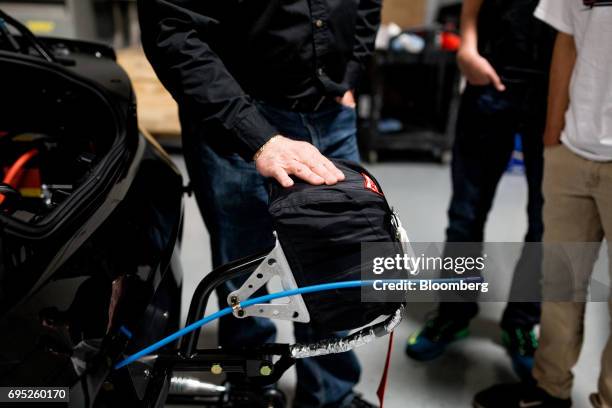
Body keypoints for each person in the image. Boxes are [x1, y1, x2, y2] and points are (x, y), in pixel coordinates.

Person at [137, 1, 381, 407]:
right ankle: (251, 382)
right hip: (240, 117)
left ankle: (330, 394)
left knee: (337, 266)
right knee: (245, 270)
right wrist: (255, 136)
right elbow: (172, 27)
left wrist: (349, 72)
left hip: (330, 109)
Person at [405, 0, 555, 381]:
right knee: (466, 215)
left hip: (554, 92)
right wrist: (468, 50)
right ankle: (454, 314)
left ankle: (523, 321)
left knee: (547, 222)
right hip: (490, 80)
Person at [473, 0, 612, 407]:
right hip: (572, 147)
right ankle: (549, 390)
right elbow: (566, 41)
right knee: (560, 283)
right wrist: (553, 129)